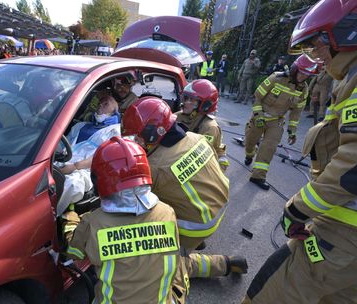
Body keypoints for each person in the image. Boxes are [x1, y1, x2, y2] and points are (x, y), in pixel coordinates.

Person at [242, 1, 357, 303]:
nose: (317, 57)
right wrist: (259, 115)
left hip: (351, 231)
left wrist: (298, 208)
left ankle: (258, 170)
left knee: (275, 286)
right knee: (336, 297)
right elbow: (257, 96)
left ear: (349, 33)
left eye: (318, 46)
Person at [122, 96, 247, 280]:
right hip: (219, 204)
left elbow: (133, 203)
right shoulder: (195, 137)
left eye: (137, 137)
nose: (136, 142)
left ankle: (221, 264)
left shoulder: (155, 167)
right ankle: (190, 243)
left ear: (152, 133)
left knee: (154, 264)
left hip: (197, 225)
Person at [62, 136, 187, 304]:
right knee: (183, 264)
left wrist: (71, 223)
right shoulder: (167, 212)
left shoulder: (94, 222)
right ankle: (224, 264)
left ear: (98, 180)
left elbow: (74, 253)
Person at [243, 54, 315, 190]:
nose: (303, 77)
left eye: (307, 75)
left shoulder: (303, 89)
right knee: (250, 141)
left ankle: (258, 176)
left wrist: (292, 131)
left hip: (277, 121)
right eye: (301, 73)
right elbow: (257, 96)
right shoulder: (277, 78)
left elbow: (296, 112)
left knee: (269, 147)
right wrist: (258, 115)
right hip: (261, 116)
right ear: (295, 69)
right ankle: (249, 153)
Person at [56, 96, 121, 215]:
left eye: (106, 104)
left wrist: (75, 166)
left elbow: (105, 156)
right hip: (63, 160)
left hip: (87, 169)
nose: (100, 105)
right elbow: (62, 145)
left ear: (115, 111)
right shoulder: (80, 126)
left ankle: (52, 214)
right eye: (100, 104)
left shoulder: (116, 131)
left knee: (72, 184)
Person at [177, 79, 229, 171]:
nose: (185, 102)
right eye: (185, 98)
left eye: (191, 100)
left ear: (205, 105)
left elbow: (197, 160)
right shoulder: (178, 116)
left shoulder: (209, 128)